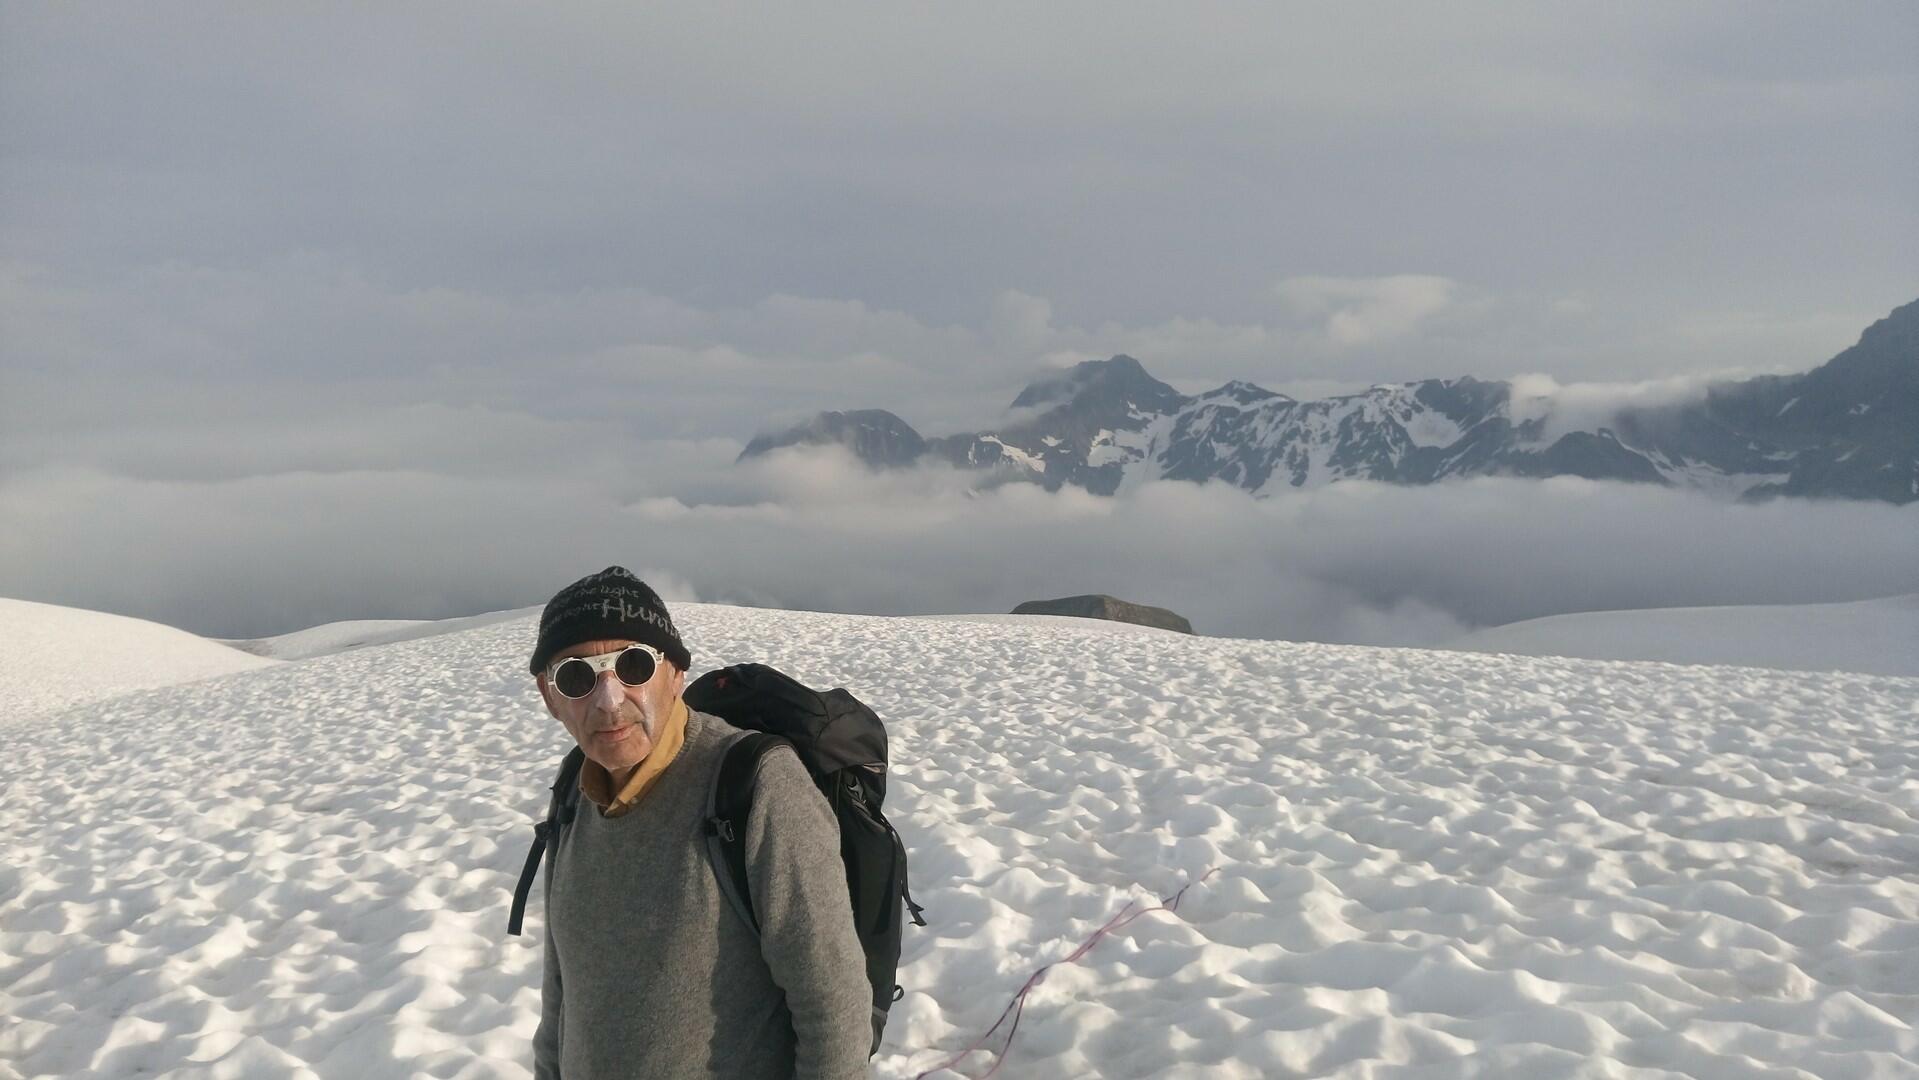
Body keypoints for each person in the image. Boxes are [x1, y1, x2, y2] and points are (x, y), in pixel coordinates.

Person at [527, 566, 871, 1080]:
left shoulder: (756, 787)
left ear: (676, 675)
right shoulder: (574, 789)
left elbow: (833, 1005)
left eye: (634, 665)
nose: (608, 701)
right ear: (549, 696)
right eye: (576, 676)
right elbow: (561, 989)